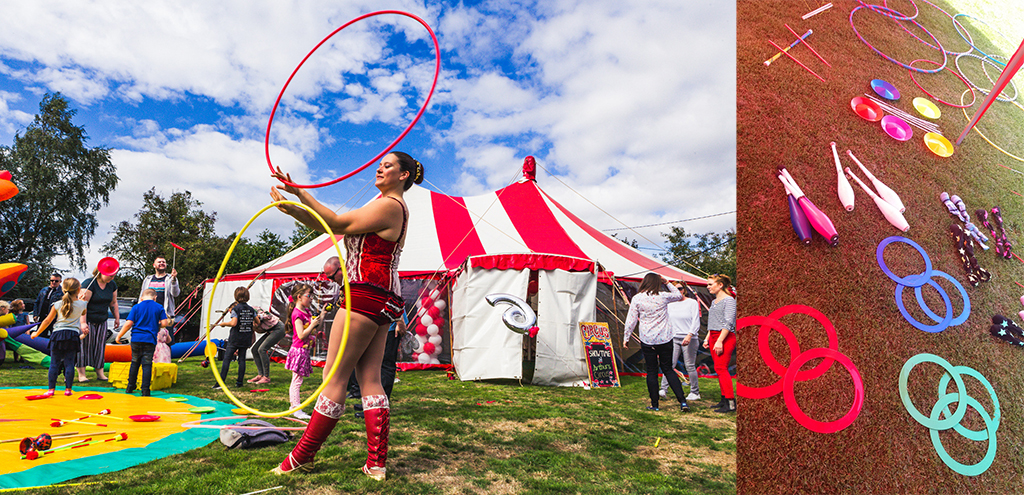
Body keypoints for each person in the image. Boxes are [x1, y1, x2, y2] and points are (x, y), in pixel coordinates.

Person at [269, 151, 423, 480]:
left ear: (404, 176)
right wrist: (295, 198)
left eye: (389, 166)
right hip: (383, 298)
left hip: (364, 294)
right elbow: (332, 225)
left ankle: (301, 457)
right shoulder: (391, 206)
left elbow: (336, 224)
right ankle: (376, 463)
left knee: (334, 378)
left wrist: (292, 201)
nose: (380, 169)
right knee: (369, 379)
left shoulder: (388, 205)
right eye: (381, 166)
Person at [623, 273, 689, 412]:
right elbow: (678, 295)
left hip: (648, 339)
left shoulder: (637, 299)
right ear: (657, 283)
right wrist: (667, 282)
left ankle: (655, 405)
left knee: (651, 372)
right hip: (665, 338)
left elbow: (631, 320)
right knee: (668, 369)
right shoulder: (663, 296)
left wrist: (626, 338)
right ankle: (683, 402)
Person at [30, 278, 87, 397]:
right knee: (69, 363)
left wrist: (36, 333)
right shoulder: (83, 304)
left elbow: (47, 321)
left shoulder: (57, 304)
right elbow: (82, 313)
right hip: (72, 335)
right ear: (78, 289)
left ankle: (51, 389)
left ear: (63, 289)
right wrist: (80, 300)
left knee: (54, 363)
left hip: (58, 334)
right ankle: (68, 390)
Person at [115, 288, 171, 396]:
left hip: (136, 339)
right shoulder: (159, 307)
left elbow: (128, 324)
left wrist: (119, 336)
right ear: (155, 298)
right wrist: (156, 325)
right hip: (150, 340)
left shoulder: (136, 307)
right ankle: (145, 390)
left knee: (134, 362)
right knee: (147, 365)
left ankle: (130, 386)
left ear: (141, 298)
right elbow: (164, 323)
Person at [283, 283, 321, 420]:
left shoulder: (307, 312)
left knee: (298, 380)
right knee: (297, 381)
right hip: (298, 350)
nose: (311, 299)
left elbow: (313, 326)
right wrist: (312, 325)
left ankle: (295, 406)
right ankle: (295, 408)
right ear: (299, 297)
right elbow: (301, 335)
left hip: (304, 351)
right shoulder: (297, 314)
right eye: (309, 296)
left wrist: (323, 314)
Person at [78, 265, 119, 382]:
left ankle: (100, 373)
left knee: (100, 347)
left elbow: (113, 302)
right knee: (84, 346)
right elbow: (82, 304)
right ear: (101, 272)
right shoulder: (89, 283)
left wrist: (117, 317)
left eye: (114, 275)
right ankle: (82, 374)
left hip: (102, 320)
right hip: (87, 319)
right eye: (110, 275)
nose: (112, 277)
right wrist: (83, 323)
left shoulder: (112, 285)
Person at [660, 286, 702, 401]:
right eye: (674, 288)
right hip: (673, 337)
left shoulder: (692, 303)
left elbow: (696, 320)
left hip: (689, 337)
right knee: (669, 364)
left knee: (690, 365)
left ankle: (695, 392)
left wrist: (690, 335)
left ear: (684, 290)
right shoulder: (669, 304)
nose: (678, 290)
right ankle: (663, 389)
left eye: (679, 288)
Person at [703, 274, 736, 413]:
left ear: (720, 285)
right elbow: (712, 322)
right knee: (718, 369)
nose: (708, 287)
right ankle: (724, 400)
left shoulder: (729, 300)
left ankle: (731, 402)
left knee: (721, 368)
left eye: (710, 284)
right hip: (714, 335)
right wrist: (707, 338)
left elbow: (728, 322)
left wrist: (720, 341)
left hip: (725, 336)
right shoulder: (714, 301)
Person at [213, 286, 257, 389]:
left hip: (235, 338)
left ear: (236, 297)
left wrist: (224, 323)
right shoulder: (251, 309)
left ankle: (220, 383)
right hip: (246, 337)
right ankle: (239, 383)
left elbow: (233, 323)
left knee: (227, 359)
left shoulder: (235, 309)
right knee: (242, 360)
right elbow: (257, 321)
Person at [251, 305, 287, 384]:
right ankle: (260, 375)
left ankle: (266, 377)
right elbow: (252, 336)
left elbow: (268, 315)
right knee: (254, 350)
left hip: (278, 328)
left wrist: (259, 316)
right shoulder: (245, 319)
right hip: (270, 330)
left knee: (262, 349)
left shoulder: (253, 309)